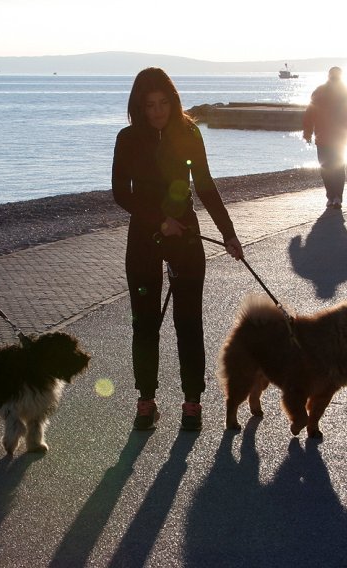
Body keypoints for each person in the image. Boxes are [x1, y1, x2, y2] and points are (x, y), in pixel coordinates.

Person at [111, 67, 244, 431]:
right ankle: (145, 402)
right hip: (144, 237)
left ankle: (192, 405)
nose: (157, 111)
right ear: (138, 106)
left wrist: (229, 233)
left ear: (173, 101)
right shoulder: (127, 138)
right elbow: (122, 192)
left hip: (185, 235)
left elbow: (204, 184)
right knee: (145, 322)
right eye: (149, 105)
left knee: (188, 321)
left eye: (163, 103)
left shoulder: (188, 133)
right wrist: (158, 222)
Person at [302, 66, 347, 209]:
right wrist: (308, 132)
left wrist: (308, 133)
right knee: (332, 168)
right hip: (331, 137)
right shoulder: (324, 92)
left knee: (330, 167)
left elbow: (309, 114)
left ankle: (335, 197)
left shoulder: (343, 93)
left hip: (333, 138)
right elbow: (310, 113)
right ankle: (334, 197)